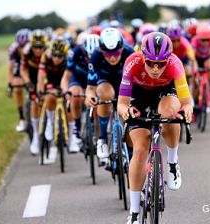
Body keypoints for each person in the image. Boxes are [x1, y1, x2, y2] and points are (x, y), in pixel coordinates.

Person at [117, 32, 193, 224]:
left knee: (170, 113)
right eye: (150, 62)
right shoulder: (132, 62)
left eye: (161, 63)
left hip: (164, 93)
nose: (156, 68)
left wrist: (187, 110)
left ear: (169, 59)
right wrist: (126, 111)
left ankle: (173, 164)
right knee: (141, 148)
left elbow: (186, 102)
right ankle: (134, 212)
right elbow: (122, 103)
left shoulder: (175, 64)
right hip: (138, 95)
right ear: (142, 56)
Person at [85, 28, 134, 163]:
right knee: (106, 94)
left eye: (116, 53)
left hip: (124, 83)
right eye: (107, 54)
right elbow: (90, 87)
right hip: (104, 82)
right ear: (102, 51)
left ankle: (130, 153)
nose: (112, 57)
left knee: (130, 119)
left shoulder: (130, 53)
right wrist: (89, 96)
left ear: (122, 48)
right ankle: (102, 139)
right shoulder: (95, 55)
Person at [61, 34, 100, 153]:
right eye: (88, 56)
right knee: (75, 95)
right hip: (78, 78)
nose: (90, 59)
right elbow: (66, 77)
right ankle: (76, 131)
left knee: (99, 104)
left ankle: (98, 136)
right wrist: (65, 90)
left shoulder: (102, 54)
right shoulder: (76, 52)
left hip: (94, 80)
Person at [36, 36, 69, 144]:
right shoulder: (46, 56)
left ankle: (68, 130)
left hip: (64, 77)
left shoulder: (69, 57)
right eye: (54, 55)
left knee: (68, 101)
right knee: (49, 97)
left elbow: (71, 77)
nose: (56, 58)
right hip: (51, 78)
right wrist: (40, 91)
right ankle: (50, 122)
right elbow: (41, 76)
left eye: (60, 56)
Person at [20, 29, 47, 154]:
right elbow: (23, 69)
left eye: (40, 47)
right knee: (34, 101)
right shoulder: (26, 52)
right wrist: (27, 82)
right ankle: (36, 134)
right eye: (35, 47)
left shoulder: (48, 51)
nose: (38, 50)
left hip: (46, 74)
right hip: (31, 74)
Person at [191, 23, 210, 111]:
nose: (205, 42)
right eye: (203, 40)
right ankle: (194, 102)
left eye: (207, 40)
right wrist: (194, 67)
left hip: (207, 59)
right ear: (198, 37)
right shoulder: (195, 40)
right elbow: (192, 57)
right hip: (197, 59)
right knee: (195, 82)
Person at [167, 25, 198, 104]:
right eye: (173, 41)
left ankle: (189, 93)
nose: (176, 43)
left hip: (183, 60)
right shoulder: (167, 44)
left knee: (189, 72)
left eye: (178, 40)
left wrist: (194, 70)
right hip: (171, 61)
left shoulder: (185, 43)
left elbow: (193, 59)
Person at [8, 28, 30, 132]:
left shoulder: (33, 49)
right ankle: (21, 118)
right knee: (18, 89)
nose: (23, 49)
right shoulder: (13, 49)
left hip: (31, 67)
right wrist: (10, 85)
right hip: (19, 66)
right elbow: (11, 69)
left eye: (25, 45)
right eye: (21, 46)